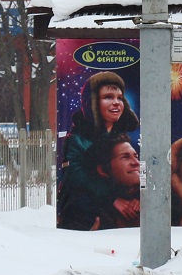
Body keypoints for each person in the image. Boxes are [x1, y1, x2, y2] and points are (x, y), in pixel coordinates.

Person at [57, 71, 140, 229]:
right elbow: (76, 179)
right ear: (93, 102)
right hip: (84, 216)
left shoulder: (126, 139)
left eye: (119, 98)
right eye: (108, 97)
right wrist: (112, 199)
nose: (116, 103)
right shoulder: (76, 139)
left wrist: (137, 198)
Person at [57, 133, 141, 231]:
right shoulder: (86, 212)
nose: (136, 163)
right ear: (103, 170)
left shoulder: (149, 200)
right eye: (125, 157)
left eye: (136, 156)